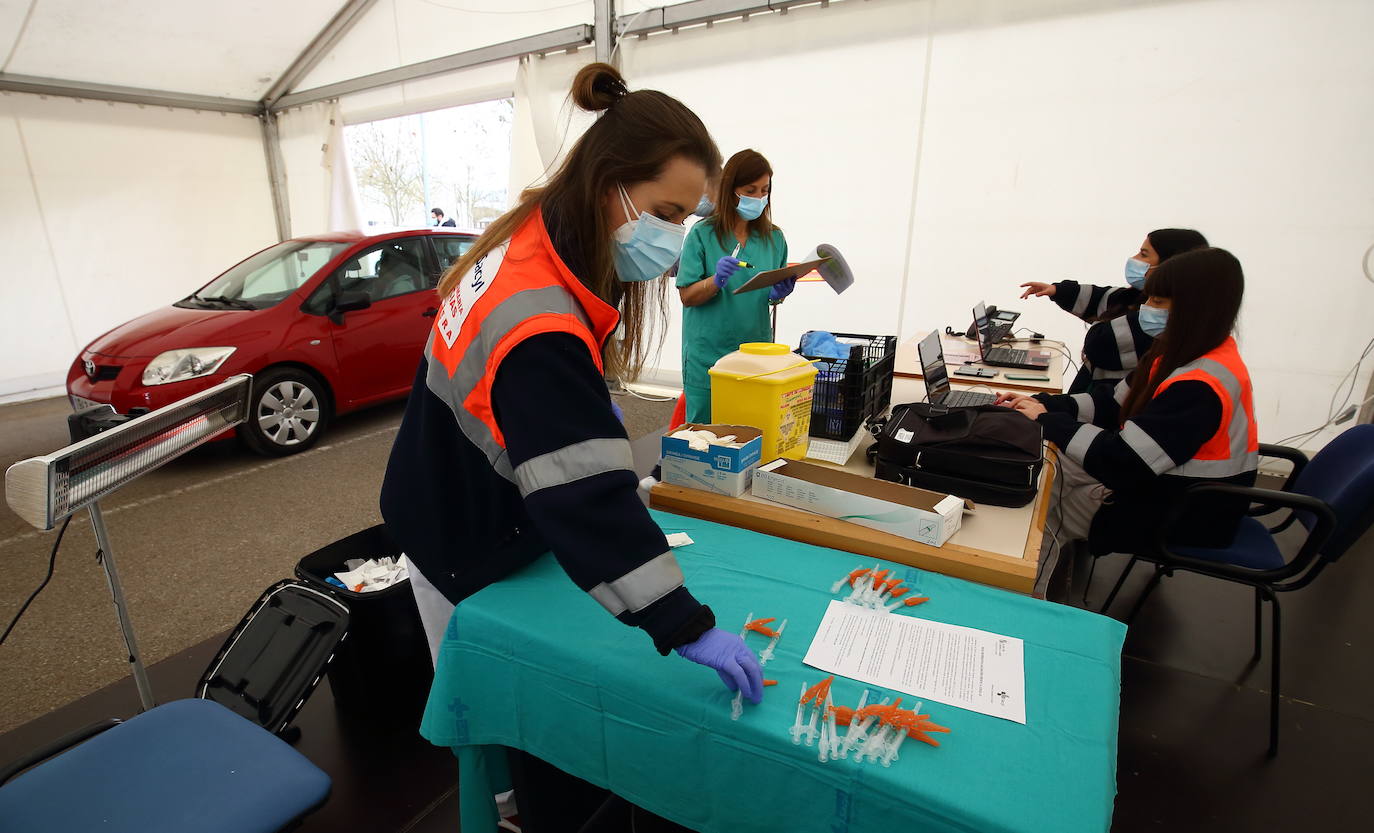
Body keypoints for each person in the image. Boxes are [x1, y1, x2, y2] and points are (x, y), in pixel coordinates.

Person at [382, 60, 761, 718]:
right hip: (460, 533)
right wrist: (685, 624)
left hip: (451, 492)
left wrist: (573, 400)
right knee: (492, 724)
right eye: (667, 213)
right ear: (609, 184)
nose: (672, 242)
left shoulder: (532, 232)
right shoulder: (541, 324)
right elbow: (584, 497)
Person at [998, 247, 1256, 562]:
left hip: (1186, 516)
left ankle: (1026, 593)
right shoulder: (1185, 354)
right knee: (1047, 468)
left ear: (1195, 309)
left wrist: (1048, 422)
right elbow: (1110, 403)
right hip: (1171, 491)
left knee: (1038, 505)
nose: (1145, 309)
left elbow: (1124, 460)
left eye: (1158, 302)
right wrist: (1046, 404)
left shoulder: (1198, 384)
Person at [676, 149, 795, 423]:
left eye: (764, 190)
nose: (758, 198)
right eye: (750, 190)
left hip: (754, 354)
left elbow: (769, 296)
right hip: (708, 354)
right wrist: (715, 281)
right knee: (702, 436)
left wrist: (777, 295)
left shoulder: (774, 239)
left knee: (750, 434)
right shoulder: (702, 234)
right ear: (731, 190)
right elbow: (687, 296)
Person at [1019, 229, 1208, 395]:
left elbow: (1100, 342)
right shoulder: (1136, 297)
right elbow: (1103, 298)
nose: (1135, 259)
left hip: (1107, 406)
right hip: (1096, 401)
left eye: (1144, 254)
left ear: (1169, 265)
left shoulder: (1157, 319)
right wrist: (1057, 290)